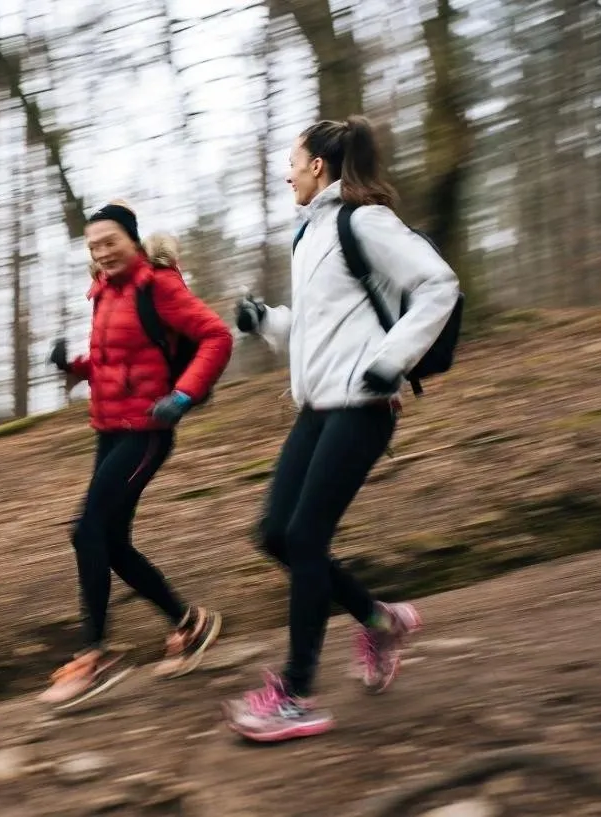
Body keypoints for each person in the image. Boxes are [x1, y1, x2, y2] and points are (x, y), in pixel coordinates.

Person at [224, 116, 460, 742]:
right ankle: (380, 622)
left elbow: (439, 283)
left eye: (293, 162)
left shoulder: (365, 221)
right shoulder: (312, 234)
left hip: (363, 406)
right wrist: (267, 322)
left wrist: (392, 362)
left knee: (304, 538)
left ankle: (296, 693)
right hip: (319, 407)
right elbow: (320, 325)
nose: (286, 172)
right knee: (276, 534)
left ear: (319, 167)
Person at [39, 201, 233, 710]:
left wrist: (185, 395)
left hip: (148, 429)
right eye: (94, 246)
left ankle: (93, 653)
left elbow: (215, 336)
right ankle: (190, 623)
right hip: (109, 428)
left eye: (110, 242)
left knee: (87, 531)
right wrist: (75, 366)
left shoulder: (159, 286)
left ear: (133, 240)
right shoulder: (103, 292)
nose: (102, 253)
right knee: (113, 543)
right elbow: (117, 359)